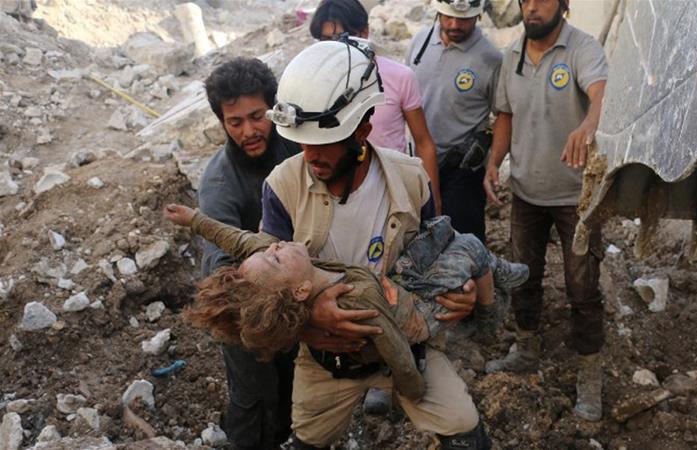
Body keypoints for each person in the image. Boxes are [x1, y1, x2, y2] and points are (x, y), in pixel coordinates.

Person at [257, 37, 491, 449]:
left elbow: (437, 252)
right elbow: (265, 292)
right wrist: (313, 320)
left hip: (405, 342)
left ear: (363, 128)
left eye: (325, 140)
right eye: (302, 141)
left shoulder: (410, 178)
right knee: (307, 441)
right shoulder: (282, 187)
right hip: (327, 355)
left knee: (465, 429)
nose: (310, 155)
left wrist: (461, 292)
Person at [162, 205, 529, 387]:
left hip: (398, 283)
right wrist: (411, 387)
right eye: (274, 256)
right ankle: (490, 312)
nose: (274, 246)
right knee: (469, 246)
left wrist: (195, 219)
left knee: (437, 234)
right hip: (421, 311)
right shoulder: (356, 299)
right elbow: (394, 346)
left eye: (268, 250)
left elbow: (242, 241)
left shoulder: (290, 272)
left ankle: (495, 271)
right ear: (302, 291)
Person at [482, 0, 608, 422]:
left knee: (583, 287)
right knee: (523, 275)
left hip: (577, 198)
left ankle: (589, 373)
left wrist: (589, 124)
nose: (533, 8)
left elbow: (601, 93)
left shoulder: (581, 49)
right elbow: (505, 115)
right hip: (526, 192)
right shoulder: (511, 56)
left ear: (565, 4)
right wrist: (494, 162)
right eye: (526, 0)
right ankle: (527, 346)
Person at [198, 57, 300, 449]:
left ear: (272, 108)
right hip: (242, 309)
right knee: (255, 397)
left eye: (257, 116)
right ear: (221, 122)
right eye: (235, 122)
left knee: (297, 385)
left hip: (297, 291)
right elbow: (220, 269)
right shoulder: (220, 183)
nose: (249, 130)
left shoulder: (297, 148)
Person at [309, 0, 442, 215]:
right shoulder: (313, 81)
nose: (335, 48)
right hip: (334, 195)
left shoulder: (400, 77)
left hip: (391, 194)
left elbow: (423, 142)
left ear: (364, 32)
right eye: (325, 40)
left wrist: (433, 204)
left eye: (342, 38)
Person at [405, 0, 502, 243]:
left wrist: (490, 147)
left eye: (464, 19)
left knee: (463, 244)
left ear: (478, 16)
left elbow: (503, 114)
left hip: (461, 170)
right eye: (448, 17)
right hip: (416, 165)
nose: (455, 24)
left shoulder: (490, 58)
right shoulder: (420, 42)